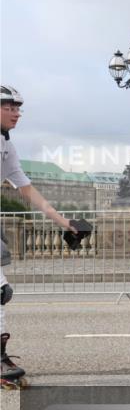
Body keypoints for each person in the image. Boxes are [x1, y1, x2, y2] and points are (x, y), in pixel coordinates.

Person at [1, 85, 79, 389]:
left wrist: (64, 222)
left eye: (18, 108)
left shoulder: (6, 145)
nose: (17, 113)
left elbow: (26, 188)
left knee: (1, 292)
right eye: (10, 107)